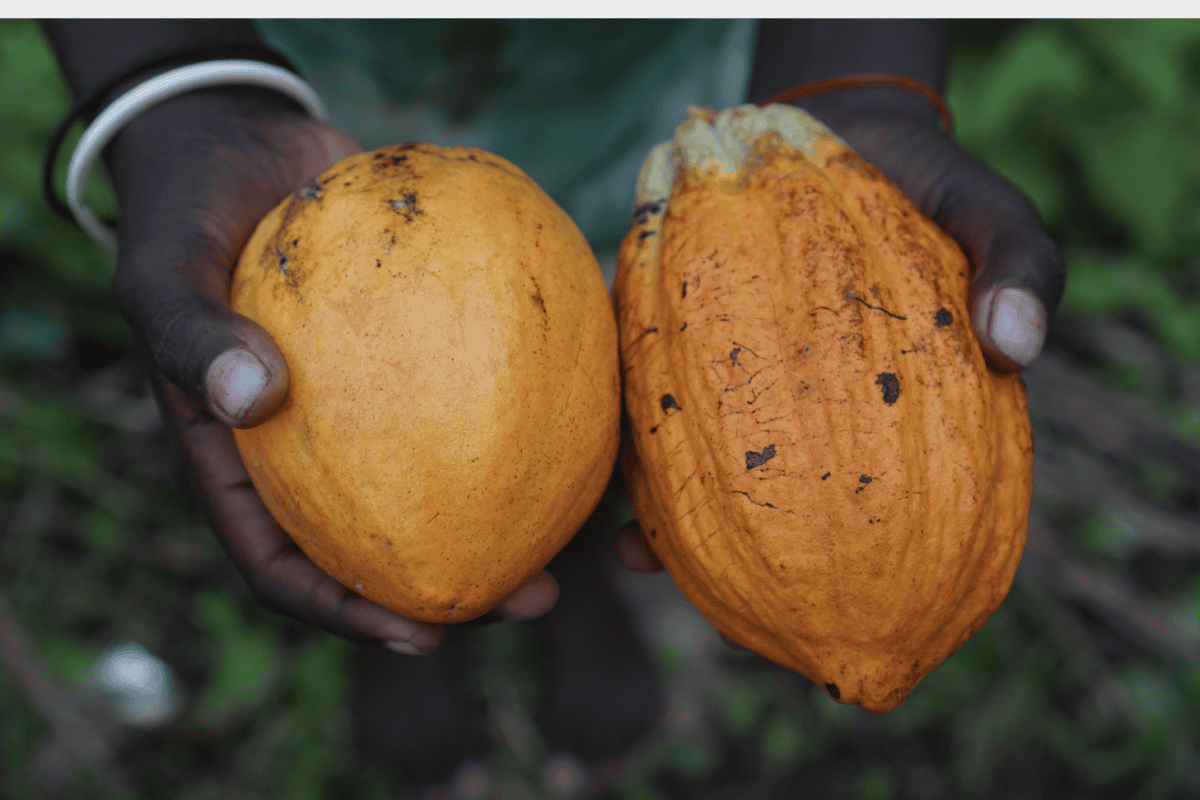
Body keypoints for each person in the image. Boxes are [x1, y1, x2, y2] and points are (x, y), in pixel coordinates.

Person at [41, 18, 1065, 787]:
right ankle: (426, 605)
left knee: (583, 387)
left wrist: (855, 72)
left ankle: (554, 572)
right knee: (396, 450)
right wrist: (169, 84)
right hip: (298, 80)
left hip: (641, 74)